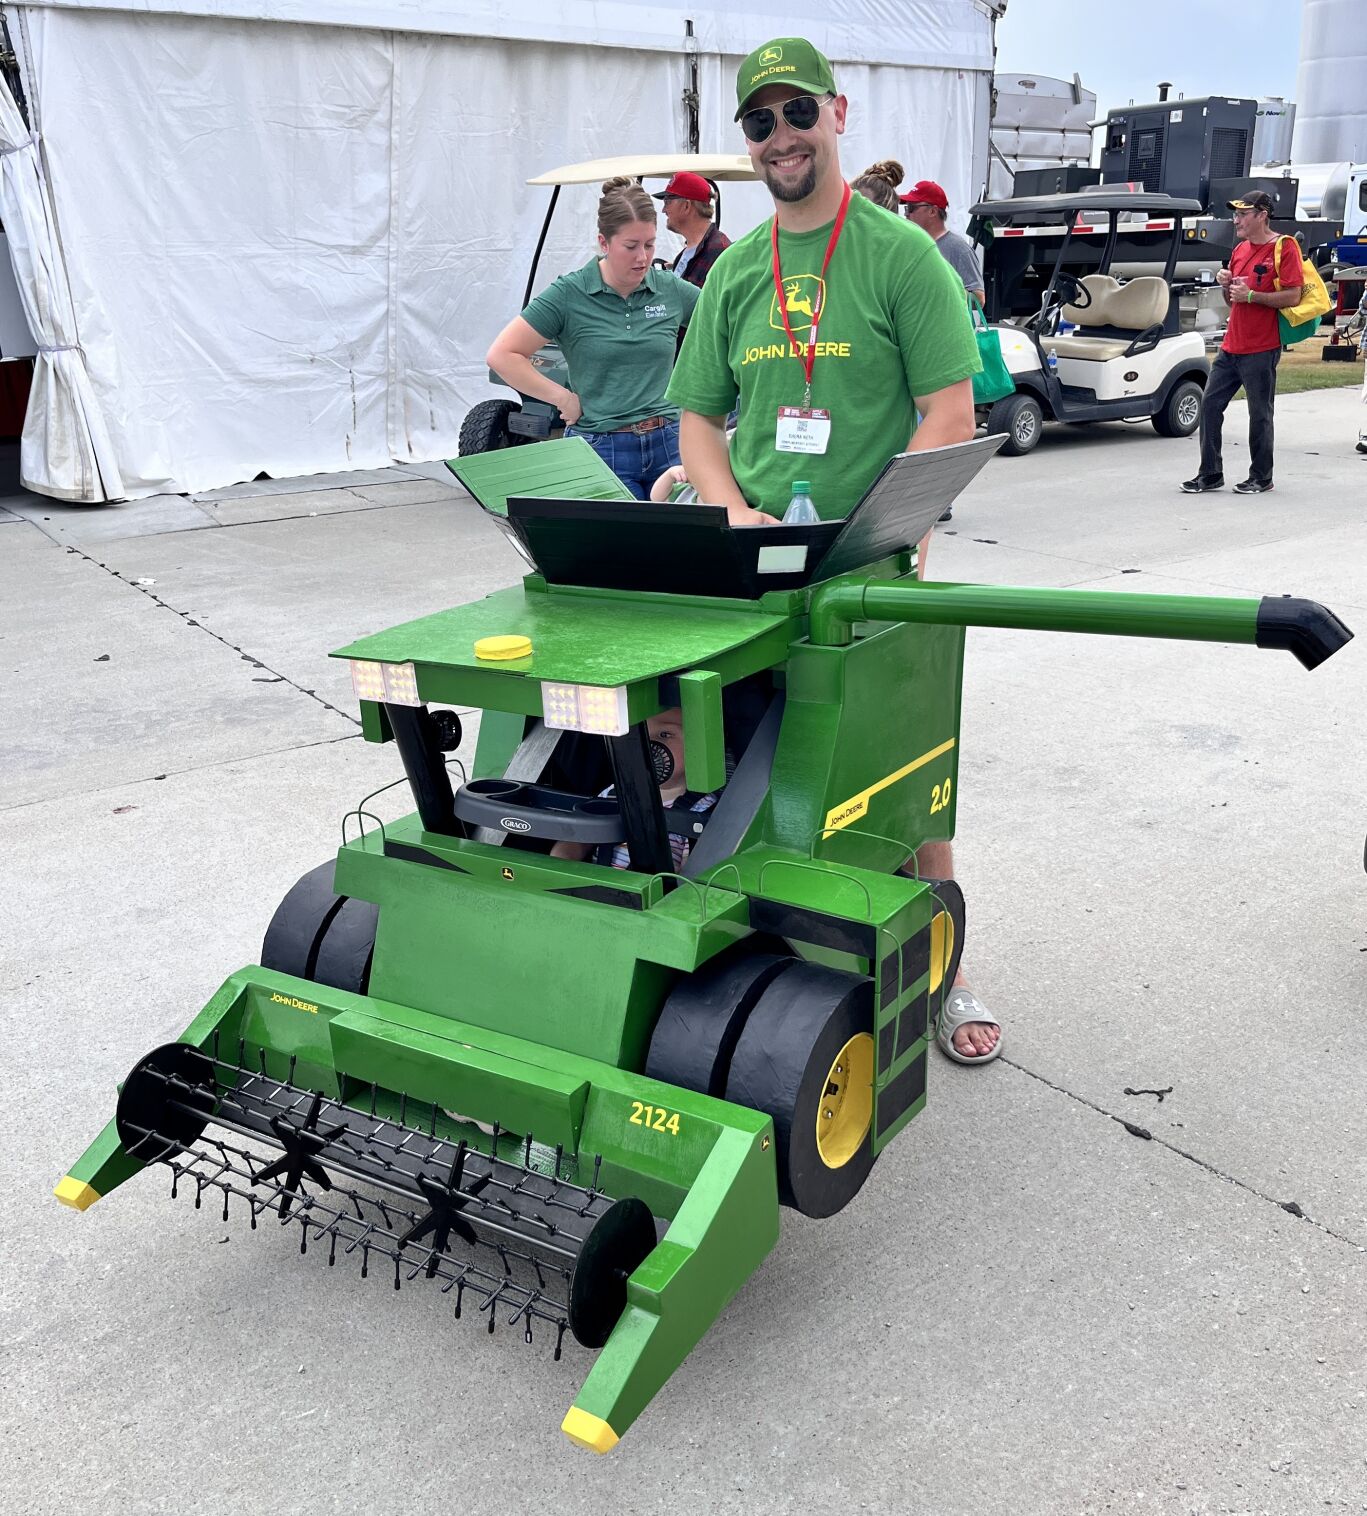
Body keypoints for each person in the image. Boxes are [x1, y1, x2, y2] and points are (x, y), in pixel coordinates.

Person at [666, 36, 1000, 1064]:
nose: (780, 137)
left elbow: (948, 413)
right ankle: (713, 944)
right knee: (691, 743)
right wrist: (729, 512)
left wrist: (874, 536)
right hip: (754, 568)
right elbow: (696, 426)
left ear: (837, 113)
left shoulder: (897, 255)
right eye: (758, 123)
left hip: (868, 572)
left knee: (902, 783)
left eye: (796, 114)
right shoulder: (731, 275)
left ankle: (943, 970)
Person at [486, 176, 698, 498]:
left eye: (649, 245)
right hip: (601, 448)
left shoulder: (669, 289)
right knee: (619, 546)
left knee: (678, 545)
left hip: (671, 444)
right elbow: (503, 354)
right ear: (603, 242)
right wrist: (562, 398)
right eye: (631, 246)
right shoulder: (569, 294)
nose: (642, 257)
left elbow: (727, 322)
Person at [1181, 191, 1303, 496]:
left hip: (1262, 347)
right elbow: (1232, 301)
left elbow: (1293, 295)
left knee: (1259, 413)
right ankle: (1210, 473)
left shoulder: (1284, 247)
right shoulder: (1239, 250)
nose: (1236, 220)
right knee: (1209, 405)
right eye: (1235, 214)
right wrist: (1227, 285)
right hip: (1231, 345)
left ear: (1262, 215)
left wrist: (1253, 296)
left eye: (1242, 214)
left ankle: (1261, 477)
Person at [550, 710, 716, 870]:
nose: (648, 745)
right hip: (597, 888)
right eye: (641, 736)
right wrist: (563, 859)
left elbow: (690, 877)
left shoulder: (702, 809)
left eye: (665, 734)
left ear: (699, 746)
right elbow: (580, 838)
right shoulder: (614, 793)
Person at [900, 179, 986, 305]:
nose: (906, 214)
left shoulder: (959, 249)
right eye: (906, 208)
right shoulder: (912, 246)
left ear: (933, 211)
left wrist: (936, 289)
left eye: (911, 208)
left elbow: (979, 299)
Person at [653, 171, 732, 288]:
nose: (664, 210)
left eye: (668, 202)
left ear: (686, 206)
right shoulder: (686, 254)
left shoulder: (719, 253)